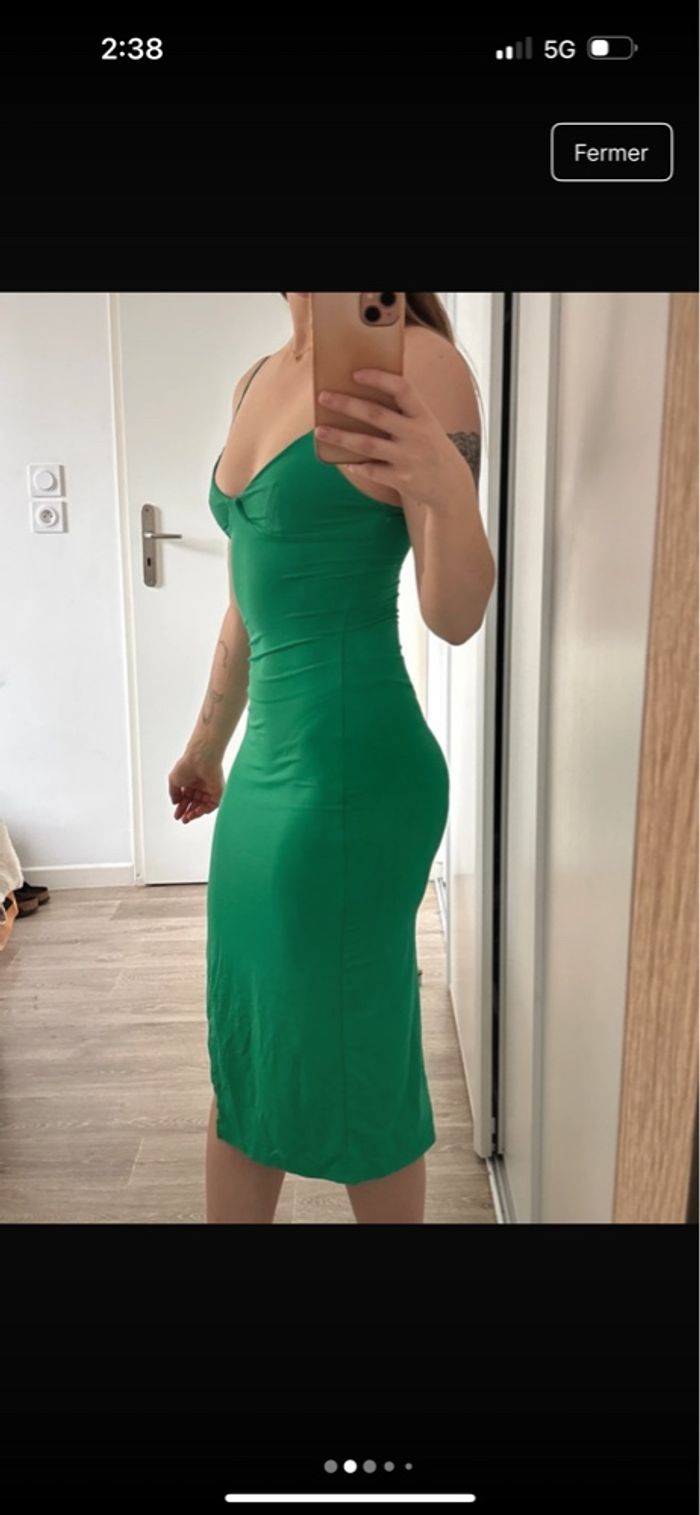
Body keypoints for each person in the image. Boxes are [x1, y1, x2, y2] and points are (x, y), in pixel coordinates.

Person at [168, 293, 495, 1223]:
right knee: (248, 1053)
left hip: (353, 775)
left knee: (358, 1070)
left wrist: (445, 486)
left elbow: (456, 613)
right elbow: (250, 591)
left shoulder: (421, 363)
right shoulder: (256, 379)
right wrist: (205, 744)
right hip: (266, 778)